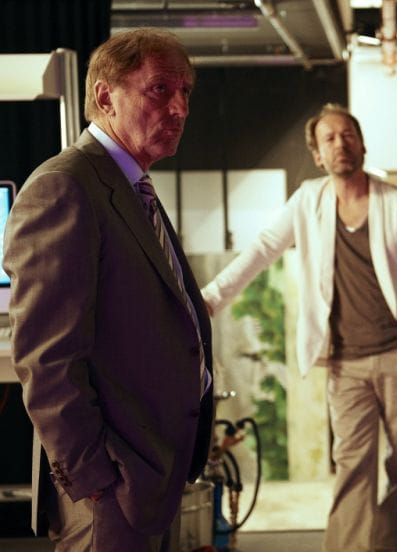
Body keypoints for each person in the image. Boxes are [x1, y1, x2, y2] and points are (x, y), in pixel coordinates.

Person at [202, 103, 397, 552]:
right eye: (329, 138)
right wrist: (212, 297)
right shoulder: (307, 201)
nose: (340, 143)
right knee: (353, 466)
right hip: (345, 364)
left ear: (362, 144)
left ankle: (389, 548)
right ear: (317, 155)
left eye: (348, 134)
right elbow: (262, 249)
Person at [3, 29, 213, 551]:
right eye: (160, 89)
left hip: (152, 474)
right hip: (113, 489)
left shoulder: (130, 185)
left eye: (185, 91)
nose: (180, 108)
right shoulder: (65, 186)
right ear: (105, 96)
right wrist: (95, 479)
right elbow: (47, 360)